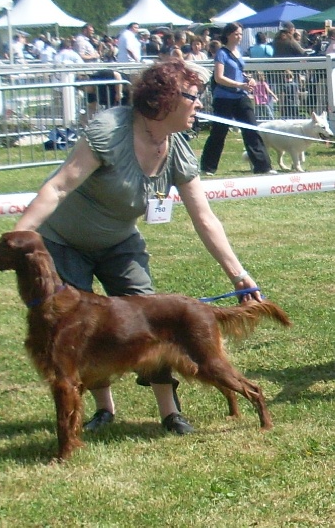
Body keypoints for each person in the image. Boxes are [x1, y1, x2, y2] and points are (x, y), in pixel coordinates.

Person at [13, 58, 264, 436]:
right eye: (193, 97)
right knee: (81, 329)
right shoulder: (110, 132)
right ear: (165, 100)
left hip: (119, 240)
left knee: (153, 318)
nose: (199, 104)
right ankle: (103, 410)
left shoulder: (176, 147)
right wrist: (18, 238)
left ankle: (170, 412)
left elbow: (204, 217)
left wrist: (238, 274)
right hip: (65, 241)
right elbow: (59, 187)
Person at [201, 22, 275, 176]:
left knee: (252, 130)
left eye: (241, 34)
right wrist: (239, 85)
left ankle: (263, 166)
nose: (239, 37)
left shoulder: (239, 51)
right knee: (219, 132)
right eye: (236, 34)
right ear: (228, 35)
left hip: (241, 96)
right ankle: (208, 167)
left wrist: (249, 80)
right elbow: (219, 77)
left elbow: (239, 72)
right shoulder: (221, 53)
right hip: (224, 98)